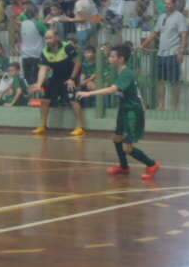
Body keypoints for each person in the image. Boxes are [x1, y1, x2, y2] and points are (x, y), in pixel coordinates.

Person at [77, 45, 160, 180]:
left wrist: (89, 93)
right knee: (116, 138)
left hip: (132, 111)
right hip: (124, 109)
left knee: (128, 148)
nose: (109, 58)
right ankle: (123, 167)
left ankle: (152, 164)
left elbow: (112, 90)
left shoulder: (127, 73)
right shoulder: (118, 72)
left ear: (121, 59)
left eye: (112, 56)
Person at [141, 0, 188, 111]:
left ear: (174, 4)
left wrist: (181, 50)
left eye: (169, 3)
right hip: (161, 54)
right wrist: (143, 45)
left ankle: (175, 107)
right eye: (165, 3)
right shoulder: (162, 17)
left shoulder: (179, 17)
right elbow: (154, 33)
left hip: (173, 53)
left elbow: (184, 34)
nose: (167, 6)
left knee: (174, 82)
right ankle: (161, 106)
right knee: (160, 81)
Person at [30, 30, 80, 135]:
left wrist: (72, 78)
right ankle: (43, 126)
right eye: (46, 38)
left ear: (56, 37)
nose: (47, 40)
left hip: (70, 76)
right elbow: (43, 69)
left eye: (50, 38)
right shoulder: (45, 52)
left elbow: (77, 63)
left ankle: (80, 127)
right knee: (44, 99)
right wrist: (39, 84)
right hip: (56, 77)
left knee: (73, 100)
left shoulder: (67, 47)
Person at [67, 45, 98, 137]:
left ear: (94, 54)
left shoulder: (98, 63)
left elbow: (95, 76)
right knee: (77, 90)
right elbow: (82, 77)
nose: (87, 54)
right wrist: (82, 83)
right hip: (86, 84)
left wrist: (86, 82)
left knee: (90, 85)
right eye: (86, 52)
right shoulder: (84, 64)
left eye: (89, 52)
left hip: (97, 83)